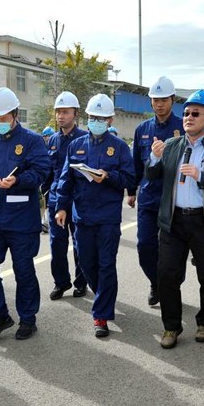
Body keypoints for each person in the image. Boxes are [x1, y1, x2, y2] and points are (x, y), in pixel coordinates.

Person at [146, 90, 204, 349]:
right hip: (174, 221)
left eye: (195, 113)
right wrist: (155, 157)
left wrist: (202, 176)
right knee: (167, 274)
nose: (189, 117)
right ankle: (171, 326)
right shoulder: (170, 146)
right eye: (186, 113)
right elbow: (151, 176)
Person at [0, 88, 50, 341]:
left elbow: (41, 172)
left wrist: (17, 180)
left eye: (3, 118)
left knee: (23, 271)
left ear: (15, 114)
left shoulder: (32, 141)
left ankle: (28, 318)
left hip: (21, 220)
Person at [56, 94, 135, 337]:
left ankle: (101, 314)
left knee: (106, 264)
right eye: (92, 117)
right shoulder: (76, 145)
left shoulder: (119, 147)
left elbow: (130, 178)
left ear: (110, 120)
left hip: (108, 217)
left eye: (101, 118)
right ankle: (104, 294)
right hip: (82, 215)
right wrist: (61, 206)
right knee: (87, 263)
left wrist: (108, 176)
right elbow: (66, 178)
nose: (96, 121)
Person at [128, 76, 184, 306]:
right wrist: (131, 191)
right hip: (149, 197)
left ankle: (172, 284)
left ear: (173, 100)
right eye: (155, 100)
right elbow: (135, 163)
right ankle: (156, 282)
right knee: (145, 246)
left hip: (175, 198)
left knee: (175, 250)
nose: (159, 104)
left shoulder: (183, 126)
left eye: (164, 100)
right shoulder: (142, 129)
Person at [45, 91, 88, 300]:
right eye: (58, 112)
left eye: (65, 112)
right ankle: (61, 282)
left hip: (77, 200)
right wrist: (46, 195)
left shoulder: (84, 139)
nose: (61, 116)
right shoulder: (52, 140)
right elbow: (48, 172)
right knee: (57, 245)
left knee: (80, 244)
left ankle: (82, 282)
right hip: (55, 201)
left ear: (76, 114)